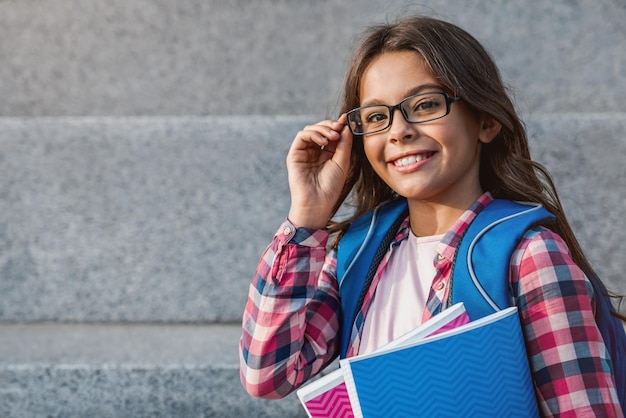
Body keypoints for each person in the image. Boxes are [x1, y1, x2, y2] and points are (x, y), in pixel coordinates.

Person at [239, 15, 624, 417]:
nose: (398, 131)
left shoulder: (529, 258)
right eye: (375, 117)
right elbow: (268, 375)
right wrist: (308, 216)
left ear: (486, 121)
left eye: (425, 105)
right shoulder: (358, 254)